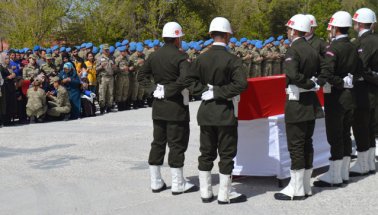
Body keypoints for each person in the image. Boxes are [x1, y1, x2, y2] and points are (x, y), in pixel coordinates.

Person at [184, 17, 248, 204]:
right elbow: (241, 84)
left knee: (206, 153)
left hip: (206, 114)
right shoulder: (232, 59)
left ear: (211, 34)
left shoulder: (200, 58)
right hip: (225, 113)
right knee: (226, 154)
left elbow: (188, 81)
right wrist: (219, 92)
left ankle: (205, 193)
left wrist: (205, 91)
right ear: (228, 35)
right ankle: (224, 194)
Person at [138, 21, 198, 195]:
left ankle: (156, 181)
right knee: (177, 144)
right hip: (176, 106)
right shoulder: (181, 56)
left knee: (158, 142)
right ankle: (178, 183)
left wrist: (154, 90)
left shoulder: (154, 56)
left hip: (158, 107)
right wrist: (169, 90)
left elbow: (141, 75)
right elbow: (186, 79)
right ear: (178, 38)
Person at [274, 14, 321, 201]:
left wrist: (308, 83)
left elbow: (292, 74)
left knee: (296, 146)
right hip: (310, 103)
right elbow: (320, 71)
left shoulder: (294, 50)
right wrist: (312, 83)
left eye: (288, 29)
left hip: (297, 103)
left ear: (294, 30)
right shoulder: (311, 49)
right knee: (307, 143)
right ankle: (306, 185)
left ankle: (296, 188)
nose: (287, 31)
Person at [313, 11, 360, 187]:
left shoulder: (333, 48)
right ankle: (343, 173)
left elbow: (327, 73)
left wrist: (339, 82)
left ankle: (334, 175)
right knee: (346, 134)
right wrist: (349, 81)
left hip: (336, 97)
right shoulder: (353, 46)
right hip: (351, 96)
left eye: (331, 27)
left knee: (335, 136)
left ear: (335, 28)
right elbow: (359, 70)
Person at [350, 8, 378, 176]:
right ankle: (369, 163)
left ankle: (362, 164)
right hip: (372, 90)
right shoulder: (373, 39)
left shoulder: (365, 42)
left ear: (359, 23)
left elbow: (362, 67)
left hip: (364, 90)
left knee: (361, 127)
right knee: (370, 127)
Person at [96, 44, 116, 114]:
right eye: (106, 50)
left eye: (108, 50)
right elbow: (95, 69)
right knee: (102, 93)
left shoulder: (112, 58)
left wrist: (114, 67)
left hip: (111, 77)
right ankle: (102, 107)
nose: (107, 51)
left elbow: (115, 68)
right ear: (103, 50)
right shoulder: (99, 58)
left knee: (110, 93)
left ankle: (109, 107)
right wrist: (101, 66)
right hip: (103, 77)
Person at [0, 55, 17, 126]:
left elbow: (12, 74)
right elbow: (2, 77)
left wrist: (13, 75)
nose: (8, 60)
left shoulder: (9, 66)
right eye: (6, 58)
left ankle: (9, 119)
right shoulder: (1, 67)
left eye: (8, 58)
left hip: (10, 87)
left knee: (10, 103)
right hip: (4, 88)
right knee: (5, 104)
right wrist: (8, 77)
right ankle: (5, 121)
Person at [114, 46, 130, 111]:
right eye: (124, 51)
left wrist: (129, 68)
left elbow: (129, 65)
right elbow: (115, 69)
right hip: (120, 77)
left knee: (125, 91)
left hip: (126, 76)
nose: (125, 53)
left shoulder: (127, 59)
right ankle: (120, 105)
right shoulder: (117, 59)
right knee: (119, 91)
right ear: (121, 52)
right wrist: (122, 69)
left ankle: (124, 104)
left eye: (126, 51)